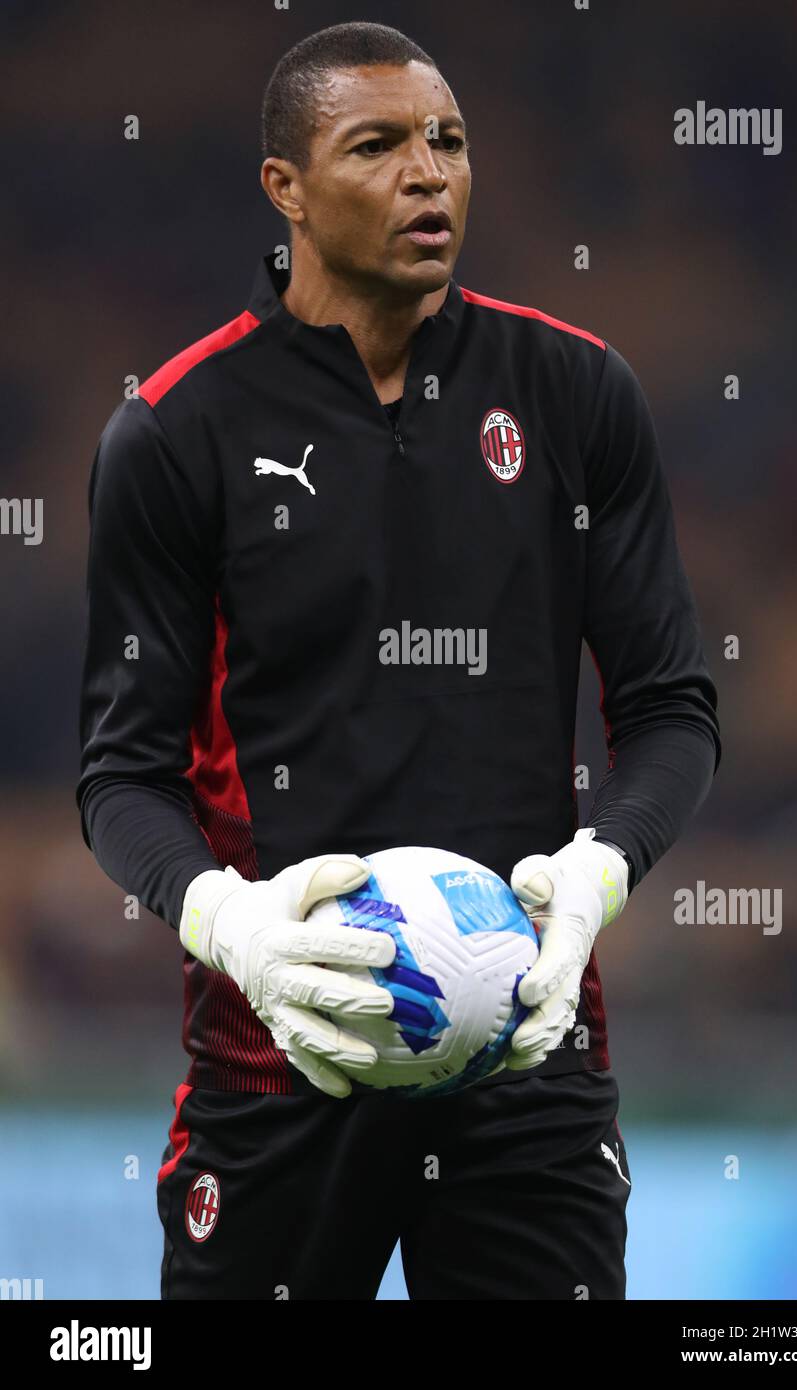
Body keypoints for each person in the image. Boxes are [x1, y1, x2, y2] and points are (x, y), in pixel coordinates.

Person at [76, 21, 721, 1300]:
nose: (428, 173)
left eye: (448, 141)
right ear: (286, 188)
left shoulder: (577, 391)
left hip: (524, 1052)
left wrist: (597, 873)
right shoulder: (175, 429)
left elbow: (670, 712)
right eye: (375, 146)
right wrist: (231, 925)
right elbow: (121, 778)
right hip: (280, 1055)